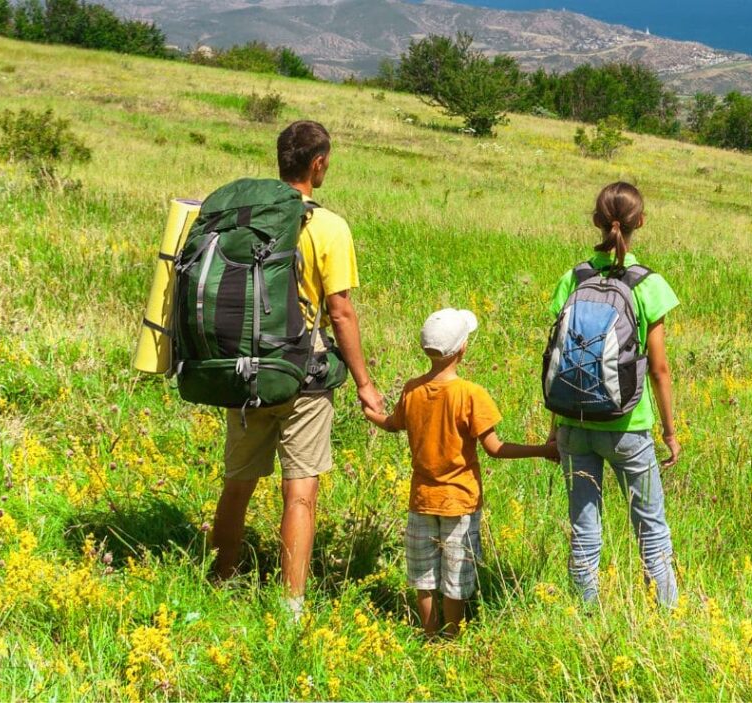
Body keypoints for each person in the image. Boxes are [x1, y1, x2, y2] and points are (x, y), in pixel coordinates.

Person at [210, 121, 384, 620]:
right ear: (318, 163)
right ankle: (290, 607)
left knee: (237, 483)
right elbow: (341, 312)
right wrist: (365, 384)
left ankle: (219, 580)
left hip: (244, 368)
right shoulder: (329, 227)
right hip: (303, 375)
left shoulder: (246, 218)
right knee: (300, 492)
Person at [363, 308, 558, 638]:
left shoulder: (412, 390)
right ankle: (451, 638)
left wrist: (371, 414)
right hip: (460, 502)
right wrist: (542, 449)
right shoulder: (470, 394)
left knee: (424, 577)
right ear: (462, 349)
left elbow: (392, 424)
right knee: (455, 577)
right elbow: (494, 448)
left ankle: (429, 634)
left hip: (421, 500)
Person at [548, 181, 682, 607]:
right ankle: (665, 614)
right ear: (641, 221)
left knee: (584, 528)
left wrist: (555, 429)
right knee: (650, 526)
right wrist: (670, 432)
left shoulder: (573, 278)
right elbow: (659, 369)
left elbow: (561, 358)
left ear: (596, 221)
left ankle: (586, 612)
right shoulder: (648, 284)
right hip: (629, 424)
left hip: (573, 422)